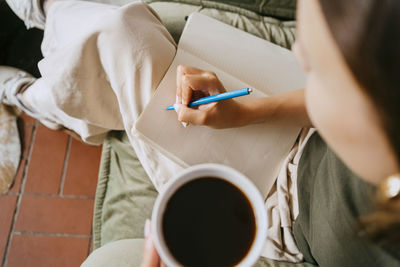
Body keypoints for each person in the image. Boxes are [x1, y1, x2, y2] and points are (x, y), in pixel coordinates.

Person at [2, 0, 399, 266]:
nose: (299, 56)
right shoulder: (374, 108)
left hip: (275, 214)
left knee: (112, 41)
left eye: (319, 69)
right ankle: (47, 12)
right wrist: (243, 111)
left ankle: (30, 96)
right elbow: (329, 101)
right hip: (292, 134)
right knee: (121, 32)